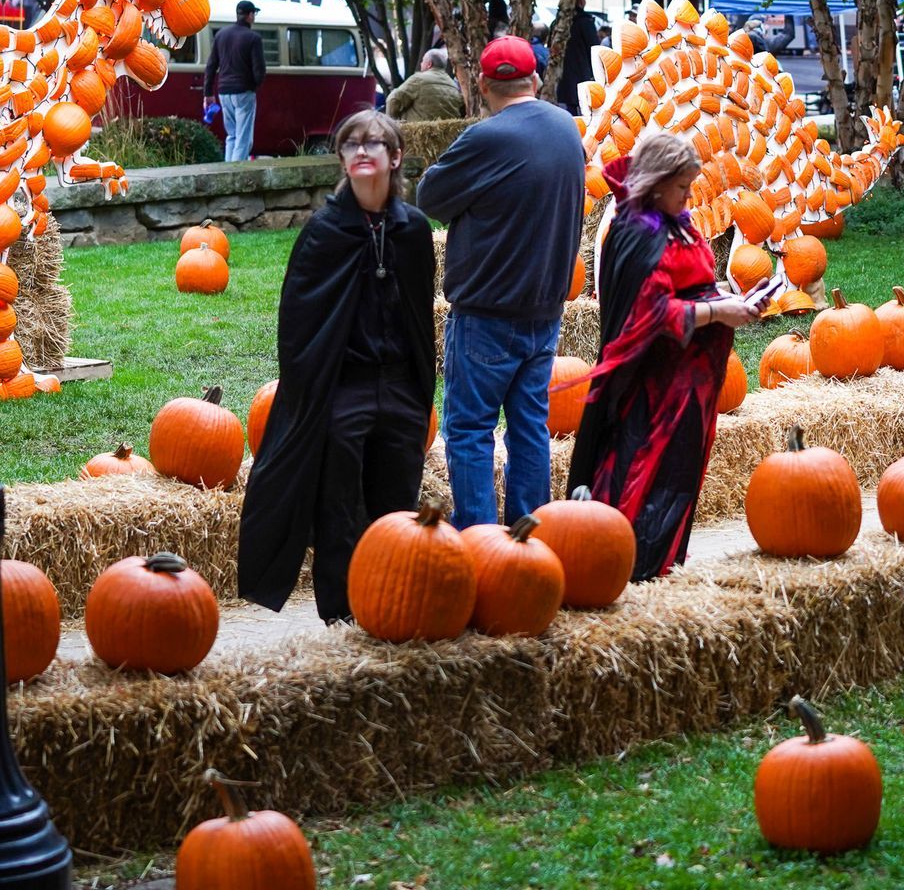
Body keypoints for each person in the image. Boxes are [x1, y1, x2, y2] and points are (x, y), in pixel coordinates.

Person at [238, 110, 435, 623]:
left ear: (395, 158)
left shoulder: (413, 231)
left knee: (397, 504)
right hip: (341, 390)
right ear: (343, 160)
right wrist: (312, 400)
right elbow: (299, 328)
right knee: (339, 508)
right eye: (351, 143)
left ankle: (391, 605)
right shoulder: (325, 232)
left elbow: (420, 320)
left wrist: (418, 394)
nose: (362, 150)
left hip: (397, 388)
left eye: (375, 143)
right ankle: (343, 615)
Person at [565, 132, 760, 581]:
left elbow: (690, 282)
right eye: (681, 188)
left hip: (691, 383)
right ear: (655, 183)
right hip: (652, 389)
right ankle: (627, 566)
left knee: (679, 472)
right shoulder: (636, 229)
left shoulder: (676, 220)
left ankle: (664, 565)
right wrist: (717, 311)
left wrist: (730, 297)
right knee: (644, 469)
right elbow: (646, 314)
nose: (688, 197)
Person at [416, 36, 586, 528]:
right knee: (530, 427)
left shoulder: (485, 138)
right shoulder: (565, 129)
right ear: (534, 79)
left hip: (486, 313)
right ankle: (527, 537)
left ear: (485, 85)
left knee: (469, 430)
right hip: (546, 310)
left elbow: (430, 197)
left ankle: (482, 542)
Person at [203, 0, 267, 162]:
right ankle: (236, 175)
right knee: (243, 138)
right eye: (254, 13)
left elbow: (211, 66)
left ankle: (227, 170)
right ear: (250, 15)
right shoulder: (253, 38)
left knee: (231, 135)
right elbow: (259, 70)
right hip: (243, 91)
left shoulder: (221, 35)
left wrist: (208, 93)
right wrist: (254, 86)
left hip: (223, 91)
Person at [385, 48, 466, 122]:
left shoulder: (418, 79)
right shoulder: (453, 85)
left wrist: (392, 123)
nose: (420, 64)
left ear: (429, 64)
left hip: (416, 134)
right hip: (449, 135)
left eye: (422, 61)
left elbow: (393, 99)